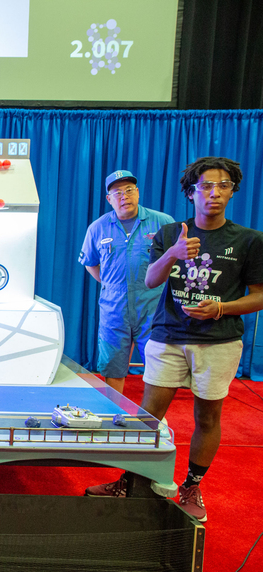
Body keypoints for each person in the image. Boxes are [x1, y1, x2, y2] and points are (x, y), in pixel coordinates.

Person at [85, 157, 263, 522]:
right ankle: (131, 480)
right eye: (206, 186)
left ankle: (191, 486)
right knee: (148, 416)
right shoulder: (171, 233)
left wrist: (222, 308)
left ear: (232, 191)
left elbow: (259, 294)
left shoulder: (249, 240)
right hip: (168, 337)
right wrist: (173, 253)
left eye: (223, 186)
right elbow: (151, 280)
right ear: (192, 192)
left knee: (208, 416)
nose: (214, 193)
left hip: (219, 340)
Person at [79, 170, 174, 394]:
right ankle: (115, 415)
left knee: (158, 365)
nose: (125, 196)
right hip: (114, 307)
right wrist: (109, 283)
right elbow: (89, 261)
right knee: (113, 366)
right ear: (108, 199)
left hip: (153, 306)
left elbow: (176, 259)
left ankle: (156, 419)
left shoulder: (163, 222)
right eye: (118, 192)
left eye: (129, 190)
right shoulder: (98, 228)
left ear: (138, 193)